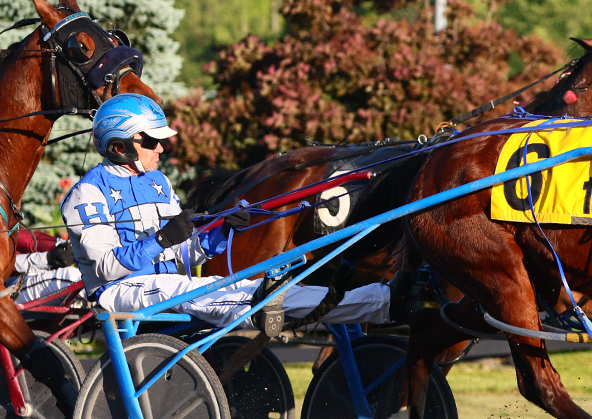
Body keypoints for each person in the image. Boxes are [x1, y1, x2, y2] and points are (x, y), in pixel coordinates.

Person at [61, 94, 391, 336]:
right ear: (119, 146)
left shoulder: (158, 183)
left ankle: (379, 301)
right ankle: (259, 305)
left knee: (236, 287)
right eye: (150, 141)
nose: (161, 148)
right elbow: (106, 269)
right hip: (116, 293)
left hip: (168, 286)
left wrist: (220, 234)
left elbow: (185, 254)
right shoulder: (86, 193)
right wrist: (161, 239)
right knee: (199, 290)